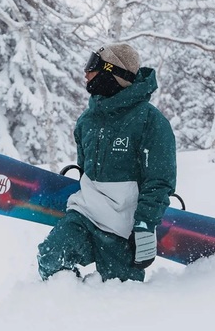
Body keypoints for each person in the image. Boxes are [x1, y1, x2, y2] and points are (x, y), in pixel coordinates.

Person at [37, 43, 177, 282]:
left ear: (112, 72)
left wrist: (144, 226)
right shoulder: (87, 121)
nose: (86, 72)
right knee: (50, 259)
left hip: (122, 228)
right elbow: (86, 169)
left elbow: (159, 181)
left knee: (118, 293)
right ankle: (68, 296)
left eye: (93, 64)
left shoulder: (150, 121)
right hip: (84, 215)